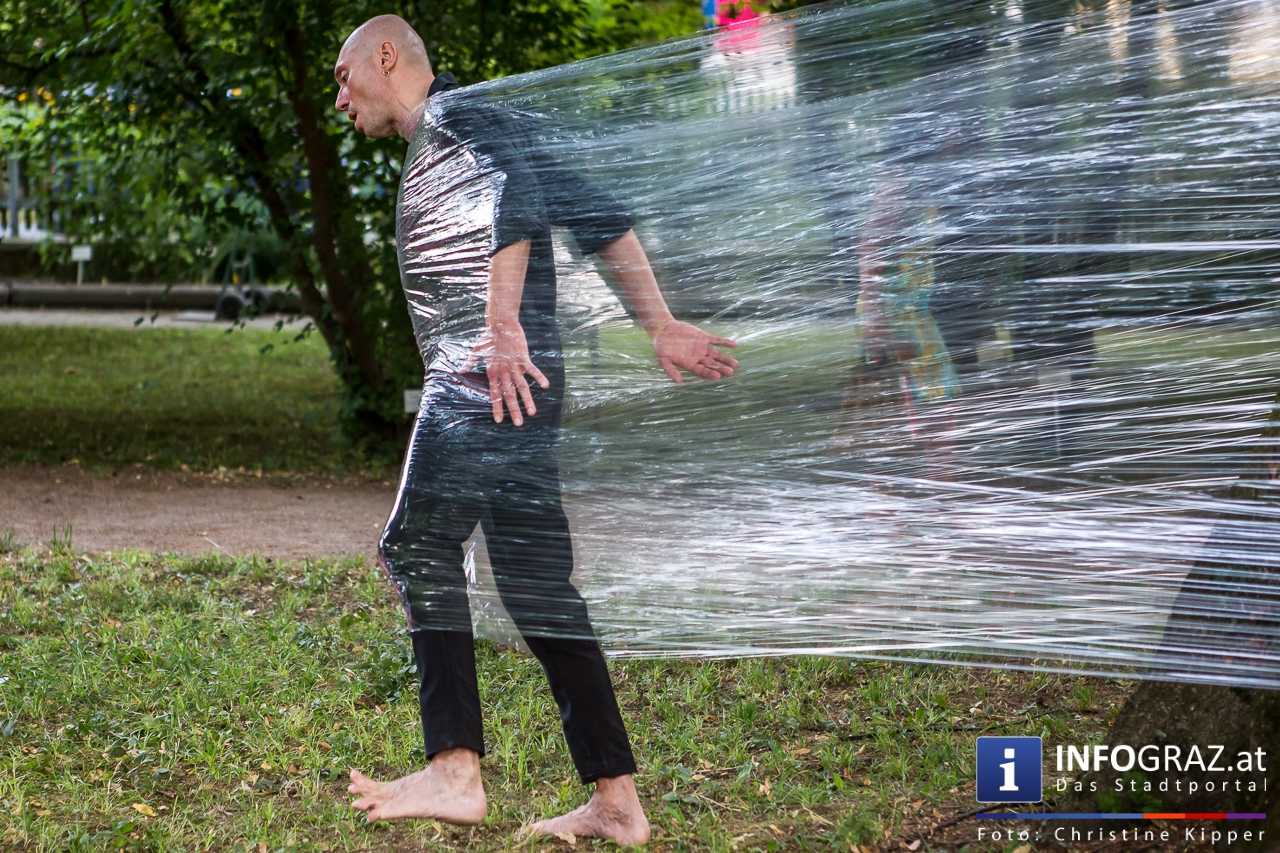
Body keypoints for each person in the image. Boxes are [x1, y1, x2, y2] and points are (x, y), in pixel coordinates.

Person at [331, 14, 739, 846]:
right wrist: (658, 321)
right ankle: (617, 800)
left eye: (343, 77)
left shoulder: (457, 119)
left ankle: (454, 768)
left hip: (490, 380)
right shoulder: (482, 126)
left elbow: (515, 202)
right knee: (540, 589)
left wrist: (504, 322)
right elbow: (600, 217)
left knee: (415, 544)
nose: (339, 97)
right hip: (520, 388)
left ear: (385, 57)